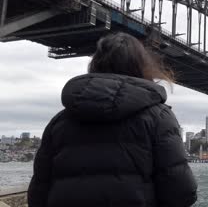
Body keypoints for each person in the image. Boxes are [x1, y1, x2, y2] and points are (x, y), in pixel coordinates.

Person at [28, 32, 197, 207]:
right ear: (142, 65)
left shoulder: (60, 121)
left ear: (95, 64)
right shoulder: (158, 117)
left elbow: (38, 193)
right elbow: (182, 193)